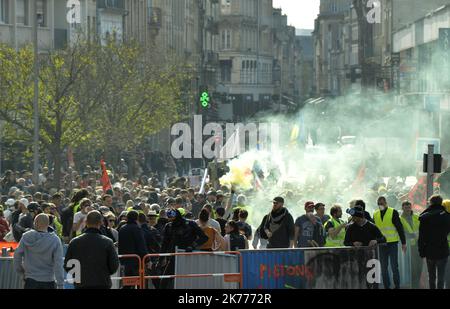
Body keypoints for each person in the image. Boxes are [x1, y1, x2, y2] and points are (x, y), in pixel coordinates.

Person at [64, 211, 119, 289]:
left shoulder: (74, 242)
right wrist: (104, 273)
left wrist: (78, 277)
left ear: (86, 222)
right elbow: (114, 266)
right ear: (101, 222)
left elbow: (68, 265)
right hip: (102, 283)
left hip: (81, 284)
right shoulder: (108, 242)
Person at [159, 209, 208, 289]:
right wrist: (161, 258)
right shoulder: (169, 226)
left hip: (188, 257)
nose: (171, 220)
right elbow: (165, 243)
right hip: (173, 258)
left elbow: (204, 237)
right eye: (169, 218)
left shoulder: (190, 224)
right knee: (164, 282)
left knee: (188, 281)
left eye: (172, 218)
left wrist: (192, 246)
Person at [13, 214, 64, 289]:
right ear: (48, 224)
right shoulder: (55, 240)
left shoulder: (26, 236)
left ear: (35, 223)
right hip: (48, 280)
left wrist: (21, 272)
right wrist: (60, 284)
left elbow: (17, 255)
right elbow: (58, 263)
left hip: (30, 280)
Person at [374, 196, 406, 289]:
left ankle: (397, 286)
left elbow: (400, 228)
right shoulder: (375, 214)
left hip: (392, 243)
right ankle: (386, 286)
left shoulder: (393, 212)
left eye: (382, 203)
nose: (381, 205)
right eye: (379, 204)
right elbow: (373, 230)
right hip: (381, 244)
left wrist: (403, 243)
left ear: (386, 203)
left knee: (394, 267)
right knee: (384, 268)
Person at [418, 195, 450, 289]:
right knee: (441, 277)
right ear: (441, 202)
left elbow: (421, 237)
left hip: (429, 251)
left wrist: (421, 252)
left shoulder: (424, 217)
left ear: (430, 203)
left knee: (431, 277)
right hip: (443, 250)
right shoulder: (447, 216)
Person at [118, 210, 148, 288]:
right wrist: (147, 260)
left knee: (128, 283)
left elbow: (120, 245)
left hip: (125, 260)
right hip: (136, 261)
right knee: (140, 283)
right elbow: (141, 245)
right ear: (136, 218)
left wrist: (121, 260)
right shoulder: (137, 228)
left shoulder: (122, 228)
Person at [400, 200, 422, 289]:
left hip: (418, 245)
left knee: (419, 266)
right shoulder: (400, 219)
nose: (408, 209)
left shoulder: (416, 217)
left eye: (409, 207)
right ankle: (413, 285)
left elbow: (421, 229)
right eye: (406, 207)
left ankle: (416, 284)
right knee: (412, 268)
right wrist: (412, 235)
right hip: (408, 246)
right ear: (402, 208)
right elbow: (401, 232)